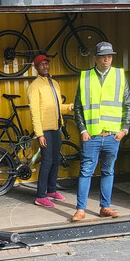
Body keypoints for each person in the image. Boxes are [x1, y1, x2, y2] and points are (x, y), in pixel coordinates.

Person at [72, 41, 130, 221]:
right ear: (95, 59)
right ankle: (80, 210)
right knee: (86, 172)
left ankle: (105, 207)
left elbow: (128, 105)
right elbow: (77, 107)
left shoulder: (119, 76)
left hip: (113, 136)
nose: (107, 60)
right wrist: (82, 130)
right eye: (103, 57)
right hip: (91, 136)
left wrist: (124, 130)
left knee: (108, 171)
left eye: (109, 56)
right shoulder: (85, 77)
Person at [27, 53, 75, 208]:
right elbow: (34, 112)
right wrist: (39, 134)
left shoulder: (54, 83)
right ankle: (40, 196)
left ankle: (51, 190)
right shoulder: (34, 87)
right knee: (47, 161)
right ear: (36, 67)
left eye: (46, 64)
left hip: (56, 127)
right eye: (42, 64)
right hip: (45, 130)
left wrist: (70, 107)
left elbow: (57, 107)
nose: (45, 66)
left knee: (55, 160)